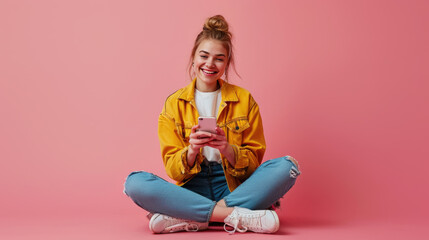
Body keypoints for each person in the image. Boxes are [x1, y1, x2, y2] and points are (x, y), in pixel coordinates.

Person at [123, 15, 301, 234]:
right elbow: (173, 171)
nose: (209, 64)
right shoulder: (173, 104)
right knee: (135, 183)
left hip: (233, 186)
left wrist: (227, 149)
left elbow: (253, 166)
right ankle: (236, 216)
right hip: (191, 189)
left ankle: (191, 217)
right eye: (204, 56)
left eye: (219, 58)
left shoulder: (245, 100)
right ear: (194, 57)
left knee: (287, 167)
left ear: (227, 63)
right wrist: (192, 150)